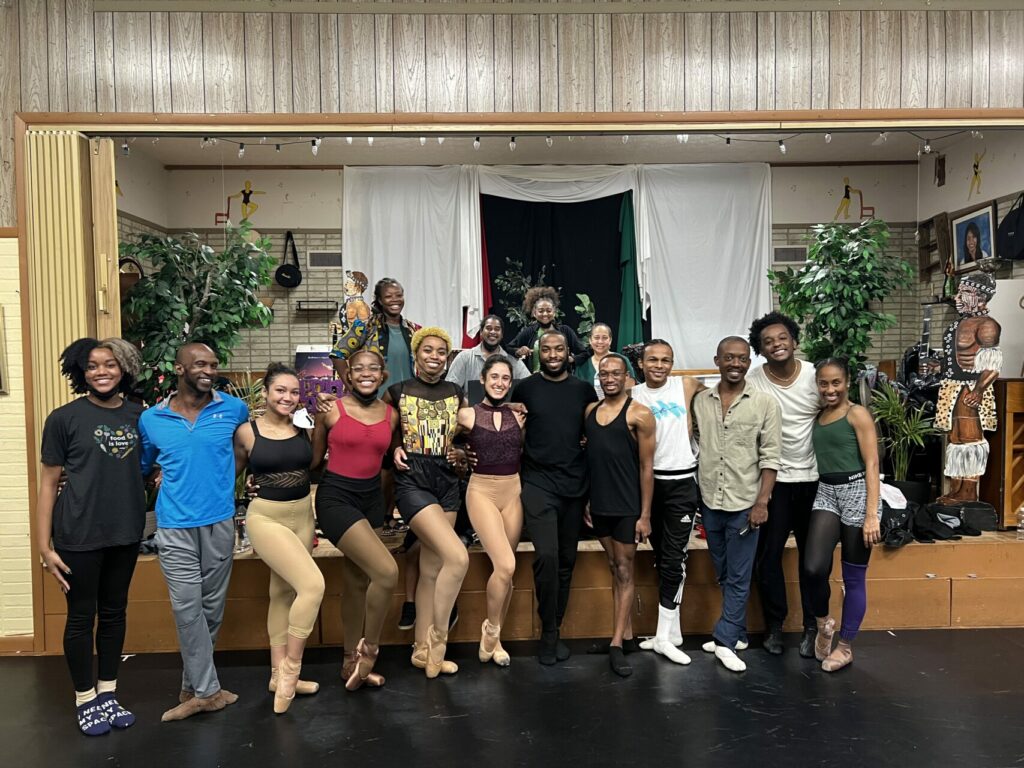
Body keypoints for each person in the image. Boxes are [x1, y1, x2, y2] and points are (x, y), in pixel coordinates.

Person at [38, 338, 145, 736]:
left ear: (124, 369)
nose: (101, 372)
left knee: (115, 613)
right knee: (82, 617)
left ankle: (108, 693)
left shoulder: (139, 416)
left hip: (126, 532)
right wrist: (44, 546)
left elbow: (149, 464)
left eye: (110, 364)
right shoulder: (63, 418)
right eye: (93, 365)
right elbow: (48, 484)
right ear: (81, 372)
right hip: (77, 534)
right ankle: (85, 698)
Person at [139, 343, 249, 722]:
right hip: (174, 527)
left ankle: (192, 686)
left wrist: (223, 483)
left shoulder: (233, 409)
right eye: (200, 363)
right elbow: (144, 465)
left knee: (211, 610)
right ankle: (208, 692)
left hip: (219, 522)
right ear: (179, 367)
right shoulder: (152, 419)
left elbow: (241, 453)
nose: (209, 370)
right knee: (187, 609)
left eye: (214, 364)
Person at [233, 363, 325, 714]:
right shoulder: (246, 432)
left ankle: (276, 673)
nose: (287, 397)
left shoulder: (303, 424)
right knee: (312, 586)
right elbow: (230, 473)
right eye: (280, 391)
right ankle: (290, 671)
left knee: (282, 592)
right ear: (266, 392)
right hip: (266, 517)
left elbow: (314, 463)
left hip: (303, 514)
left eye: (293, 391)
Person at [312, 349, 400, 689]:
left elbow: (390, 463)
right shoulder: (330, 410)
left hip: (371, 500)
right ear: (347, 376)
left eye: (373, 368)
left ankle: (349, 660)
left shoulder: (391, 415)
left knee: (357, 581)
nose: (366, 373)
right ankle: (369, 651)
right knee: (387, 572)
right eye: (358, 369)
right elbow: (314, 461)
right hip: (336, 498)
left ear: (382, 375)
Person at [692, 337, 780, 673]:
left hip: (746, 503)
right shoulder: (701, 401)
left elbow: (771, 457)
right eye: (729, 358)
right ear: (717, 360)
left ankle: (726, 641)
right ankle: (739, 631)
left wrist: (762, 502)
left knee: (740, 575)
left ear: (749, 361)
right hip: (711, 502)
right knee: (725, 572)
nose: (736, 364)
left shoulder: (764, 403)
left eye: (742, 359)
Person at [385, 327, 469, 678]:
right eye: (428, 351)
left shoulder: (456, 392)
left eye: (441, 352)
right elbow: (382, 433)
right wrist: (394, 448)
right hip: (414, 480)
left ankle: (421, 650)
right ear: (416, 355)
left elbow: (468, 435)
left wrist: (461, 451)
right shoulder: (397, 392)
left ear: (447, 358)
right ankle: (438, 643)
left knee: (433, 570)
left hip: (447, 480)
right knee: (457, 556)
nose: (434, 357)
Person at [511, 329, 599, 665]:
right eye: (546, 349)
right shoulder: (526, 388)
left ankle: (555, 628)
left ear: (568, 353)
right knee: (546, 556)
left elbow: (594, 437)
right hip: (537, 483)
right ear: (538, 352)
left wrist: (593, 491)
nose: (552, 354)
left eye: (558, 349)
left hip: (575, 486)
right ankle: (548, 631)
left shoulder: (583, 390)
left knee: (566, 561)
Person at [747, 312, 820, 658]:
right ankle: (775, 625)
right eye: (767, 341)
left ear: (794, 340)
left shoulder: (814, 376)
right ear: (760, 350)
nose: (776, 344)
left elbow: (838, 415)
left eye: (782, 338)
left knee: (812, 560)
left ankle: (811, 627)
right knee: (768, 557)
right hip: (775, 482)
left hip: (815, 481)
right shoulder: (754, 380)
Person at [802, 359, 882, 672]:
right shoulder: (819, 416)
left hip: (857, 492)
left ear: (846, 381)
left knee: (853, 577)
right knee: (812, 568)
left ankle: (845, 647)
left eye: (836, 382)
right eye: (824, 383)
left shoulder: (857, 414)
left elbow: (872, 464)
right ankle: (824, 624)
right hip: (826, 491)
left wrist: (871, 514)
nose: (830, 389)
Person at [631, 339, 704, 666]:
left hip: (681, 483)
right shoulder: (634, 394)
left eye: (665, 360)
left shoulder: (684, 385)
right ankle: (670, 633)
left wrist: (695, 423)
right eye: (653, 360)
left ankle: (663, 637)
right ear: (642, 363)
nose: (659, 365)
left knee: (675, 558)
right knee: (662, 557)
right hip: (648, 484)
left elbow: (715, 395)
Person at [583, 354, 654, 677]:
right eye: (604, 374)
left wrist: (645, 515)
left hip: (627, 506)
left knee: (625, 570)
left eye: (616, 373)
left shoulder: (639, 414)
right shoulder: (590, 412)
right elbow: (592, 460)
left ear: (627, 377)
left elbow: (646, 467)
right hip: (599, 504)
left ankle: (615, 643)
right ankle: (624, 636)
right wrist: (587, 499)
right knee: (614, 566)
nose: (609, 378)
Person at [456, 357, 526, 666]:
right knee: (507, 565)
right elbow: (449, 447)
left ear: (511, 383)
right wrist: (457, 452)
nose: (499, 382)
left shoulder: (519, 415)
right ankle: (491, 629)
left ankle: (495, 642)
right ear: (483, 380)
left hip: (513, 491)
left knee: (505, 573)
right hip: (482, 491)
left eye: (505, 378)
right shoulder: (467, 414)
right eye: (494, 377)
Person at [935, 272, 1002, 503]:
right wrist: (938, 366)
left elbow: (992, 367)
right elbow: (953, 358)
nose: (958, 297)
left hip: (971, 387)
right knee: (955, 438)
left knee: (970, 438)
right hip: (951, 387)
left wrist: (978, 391)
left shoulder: (987, 325)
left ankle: (968, 493)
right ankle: (956, 489)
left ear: (980, 298)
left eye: (964, 293)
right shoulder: (959, 323)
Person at [446, 314, 530, 404]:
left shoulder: (512, 361)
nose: (493, 332)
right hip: (471, 414)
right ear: (481, 332)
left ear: (502, 335)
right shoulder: (464, 358)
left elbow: (530, 386)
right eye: (489, 328)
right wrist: (465, 406)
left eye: (497, 329)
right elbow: (449, 390)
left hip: (503, 414)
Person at [507, 286, 587, 374]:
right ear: (534, 312)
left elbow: (584, 354)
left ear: (554, 311)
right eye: (541, 311)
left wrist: (571, 359)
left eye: (549, 310)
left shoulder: (565, 331)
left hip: (561, 380)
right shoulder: (529, 332)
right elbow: (508, 348)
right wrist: (518, 351)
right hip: (535, 381)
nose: (545, 314)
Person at [574, 323, 637, 399]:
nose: (600, 341)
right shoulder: (582, 365)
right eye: (596, 338)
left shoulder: (622, 360)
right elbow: (578, 393)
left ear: (610, 340)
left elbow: (629, 389)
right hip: (590, 408)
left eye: (604, 338)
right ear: (590, 340)